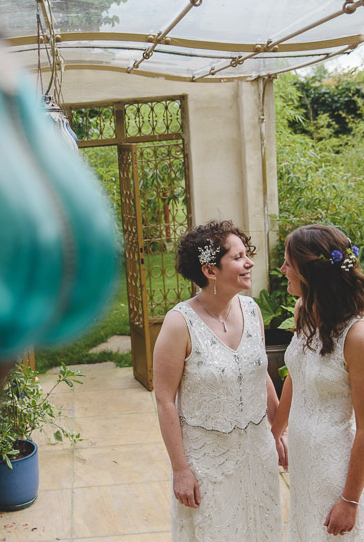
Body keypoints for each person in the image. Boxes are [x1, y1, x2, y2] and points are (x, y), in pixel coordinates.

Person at [154, 220, 284, 541]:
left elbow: (258, 371)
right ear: (210, 271)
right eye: (238, 257)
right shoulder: (178, 324)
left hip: (256, 455)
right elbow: (164, 400)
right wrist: (181, 469)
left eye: (246, 254)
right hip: (207, 463)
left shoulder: (252, 310)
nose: (249, 263)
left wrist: (277, 429)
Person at [271, 224, 364, 540]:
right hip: (305, 463)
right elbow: (297, 375)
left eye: (289, 263)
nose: (282, 270)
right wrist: (275, 433)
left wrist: (350, 499)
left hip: (338, 470)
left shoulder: (358, 335)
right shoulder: (303, 309)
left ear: (310, 272)